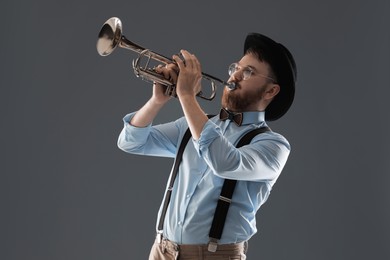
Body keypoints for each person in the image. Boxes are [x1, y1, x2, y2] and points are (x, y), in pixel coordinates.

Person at [117, 33, 297, 260]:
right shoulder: (193, 125)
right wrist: (156, 102)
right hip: (162, 251)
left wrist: (186, 96)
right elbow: (130, 142)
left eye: (248, 72)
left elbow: (224, 162)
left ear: (271, 91)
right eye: (236, 67)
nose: (235, 75)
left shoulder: (273, 146)